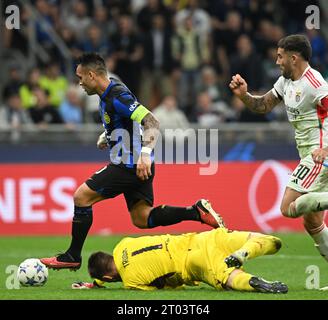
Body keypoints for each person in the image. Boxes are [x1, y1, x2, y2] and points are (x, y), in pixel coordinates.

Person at [41, 53, 223, 270]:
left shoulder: (117, 95)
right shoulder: (110, 91)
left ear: (91, 75)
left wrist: (145, 152)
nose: (79, 83)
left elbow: (151, 121)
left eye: (80, 77)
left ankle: (72, 256)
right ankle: (195, 211)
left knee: (81, 197)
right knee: (142, 218)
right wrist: (107, 135)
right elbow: (128, 121)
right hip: (139, 166)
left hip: (129, 166)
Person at [229, 34, 328, 263]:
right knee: (312, 222)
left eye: (280, 57)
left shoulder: (315, 85)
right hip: (308, 154)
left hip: (318, 155)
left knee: (288, 206)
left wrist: (326, 149)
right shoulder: (285, 81)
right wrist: (244, 95)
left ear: (294, 58)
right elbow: (263, 105)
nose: (277, 62)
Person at [72, 226, 287, 294]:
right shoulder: (122, 244)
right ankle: (246, 251)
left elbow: (165, 289)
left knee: (231, 279)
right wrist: (95, 283)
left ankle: (254, 282)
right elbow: (114, 266)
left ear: (108, 276)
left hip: (194, 262)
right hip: (204, 237)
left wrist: (96, 284)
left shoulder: (131, 282)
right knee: (269, 241)